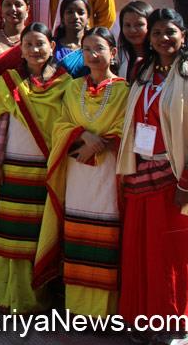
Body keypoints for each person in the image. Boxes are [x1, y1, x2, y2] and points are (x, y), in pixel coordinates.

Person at [116, 8, 188, 345]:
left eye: (170, 32)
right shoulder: (143, 71)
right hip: (143, 174)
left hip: (178, 177)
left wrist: (186, 183)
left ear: (184, 36)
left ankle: (179, 323)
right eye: (156, 33)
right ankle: (146, 319)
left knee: (177, 255)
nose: (163, 39)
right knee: (144, 252)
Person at [0, 23, 71, 313]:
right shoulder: (9, 82)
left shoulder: (66, 84)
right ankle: (5, 294)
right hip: (12, 171)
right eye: (28, 44)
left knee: (36, 239)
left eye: (40, 44)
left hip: (46, 173)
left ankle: (34, 298)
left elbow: (67, 127)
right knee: (10, 236)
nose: (34, 50)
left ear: (51, 47)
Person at [37, 27, 129, 318]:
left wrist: (100, 143)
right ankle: (77, 310)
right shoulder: (73, 87)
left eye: (99, 49)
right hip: (77, 173)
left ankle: (103, 313)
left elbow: (128, 128)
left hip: (107, 174)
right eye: (87, 50)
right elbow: (60, 124)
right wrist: (81, 136)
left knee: (104, 241)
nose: (92, 55)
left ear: (113, 53)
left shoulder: (126, 90)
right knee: (78, 237)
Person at [52, 0, 93, 78]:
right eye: (70, 12)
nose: (75, 16)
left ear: (88, 18)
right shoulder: (52, 46)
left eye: (81, 13)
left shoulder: (94, 47)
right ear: (62, 18)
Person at [117, 0, 154, 81]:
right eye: (127, 25)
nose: (132, 30)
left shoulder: (160, 57)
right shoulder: (117, 56)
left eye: (139, 24)